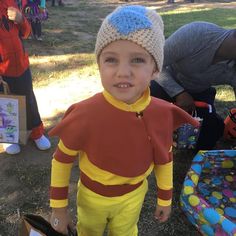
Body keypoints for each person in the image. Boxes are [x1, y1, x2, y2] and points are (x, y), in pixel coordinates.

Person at [48, 5, 199, 236]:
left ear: (155, 69)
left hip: (133, 197)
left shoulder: (161, 114)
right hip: (92, 197)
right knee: (89, 231)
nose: (123, 72)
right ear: (99, 65)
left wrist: (165, 197)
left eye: (137, 59)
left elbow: (164, 157)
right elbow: (61, 159)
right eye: (111, 60)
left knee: (126, 231)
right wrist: (59, 209)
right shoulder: (86, 114)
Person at [150, 21, 236, 150]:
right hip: (165, 83)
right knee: (146, 104)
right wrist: (179, 92)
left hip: (199, 92)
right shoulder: (197, 33)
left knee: (208, 140)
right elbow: (154, 63)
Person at [0, 0, 51, 154]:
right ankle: (9, 137)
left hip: (21, 65)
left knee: (28, 98)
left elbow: (27, 33)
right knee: (6, 102)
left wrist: (21, 19)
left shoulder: (15, 2)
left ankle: (36, 133)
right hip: (2, 70)